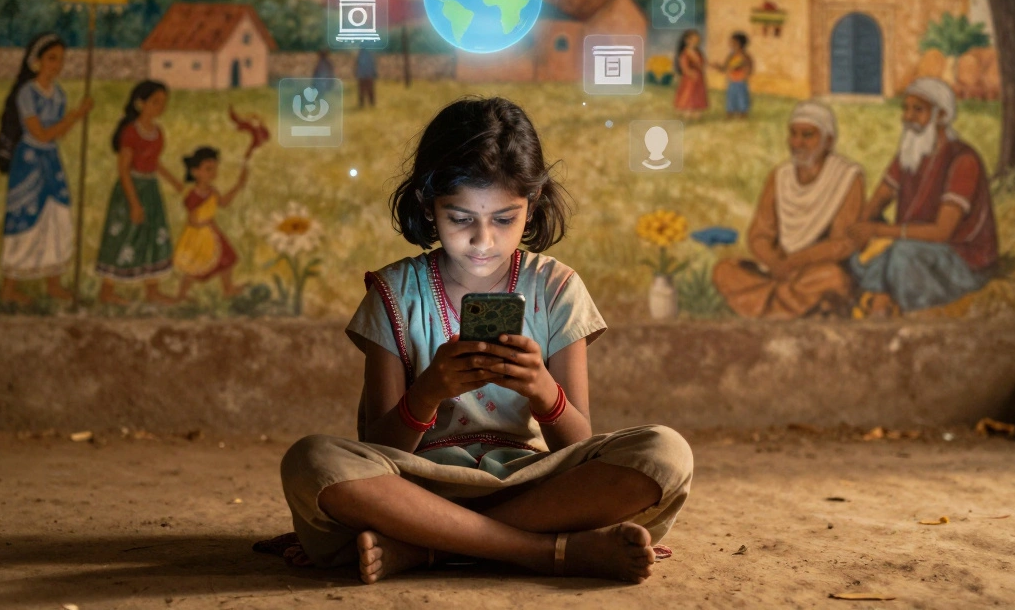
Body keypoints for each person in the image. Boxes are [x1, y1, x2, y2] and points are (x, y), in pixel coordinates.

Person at [279, 98, 694, 585]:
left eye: (504, 219)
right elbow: (378, 448)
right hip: (418, 491)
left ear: (532, 206)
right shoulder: (394, 294)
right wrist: (428, 392)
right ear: (427, 206)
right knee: (312, 462)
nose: (483, 241)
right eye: (460, 219)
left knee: (665, 454)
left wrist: (543, 391)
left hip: (536, 487)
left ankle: (427, 550)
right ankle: (541, 552)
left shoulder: (557, 288)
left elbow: (581, 445)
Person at [847, 77, 999, 316]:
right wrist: (860, 229)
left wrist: (878, 232)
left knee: (901, 256)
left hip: (963, 260)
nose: (907, 117)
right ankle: (879, 302)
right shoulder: (911, 152)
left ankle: (910, 312)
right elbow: (880, 199)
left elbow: (941, 232)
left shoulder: (962, 160)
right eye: (905, 109)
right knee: (858, 257)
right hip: (914, 246)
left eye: (918, 110)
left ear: (941, 116)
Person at [712, 101, 865, 318]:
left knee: (833, 279)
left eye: (807, 135)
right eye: (793, 134)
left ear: (828, 141)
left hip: (815, 270)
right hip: (778, 270)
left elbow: (843, 243)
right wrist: (775, 262)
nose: (797, 143)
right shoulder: (780, 176)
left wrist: (795, 262)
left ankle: (763, 306)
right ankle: (795, 306)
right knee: (724, 271)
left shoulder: (847, 177)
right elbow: (759, 234)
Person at [0, 33, 94, 305]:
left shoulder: (59, 94)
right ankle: (10, 286)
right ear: (36, 61)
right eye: (51, 58)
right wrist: (76, 115)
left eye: (61, 60)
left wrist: (74, 117)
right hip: (29, 160)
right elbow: (39, 133)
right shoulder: (27, 92)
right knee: (25, 218)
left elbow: (57, 134)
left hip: (51, 160)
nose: (57, 65)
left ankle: (53, 282)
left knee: (56, 217)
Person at [95, 81, 184, 304]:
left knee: (153, 235)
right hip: (131, 188)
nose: (161, 107)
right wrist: (133, 202)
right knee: (123, 234)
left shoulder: (157, 132)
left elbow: (154, 162)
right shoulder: (131, 132)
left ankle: (152, 290)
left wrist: (174, 181)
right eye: (155, 102)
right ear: (140, 103)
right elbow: (123, 169)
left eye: (164, 103)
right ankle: (107, 291)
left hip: (151, 188)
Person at [173, 147, 248, 300]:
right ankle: (182, 294)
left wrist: (238, 185)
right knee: (193, 265)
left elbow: (224, 202)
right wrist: (203, 223)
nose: (213, 173)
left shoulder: (212, 190)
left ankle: (228, 288)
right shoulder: (193, 194)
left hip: (212, 231)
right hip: (198, 235)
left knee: (227, 257)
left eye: (215, 169)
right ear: (195, 172)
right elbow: (192, 218)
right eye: (208, 169)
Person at [711, 32, 753, 118]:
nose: (731, 44)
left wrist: (744, 73)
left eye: (733, 42)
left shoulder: (744, 56)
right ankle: (730, 114)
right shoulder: (731, 56)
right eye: (731, 42)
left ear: (740, 44)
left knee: (742, 98)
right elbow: (725, 68)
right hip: (732, 80)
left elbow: (749, 67)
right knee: (731, 98)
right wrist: (717, 67)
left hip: (740, 81)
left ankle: (742, 114)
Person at [673, 30, 707, 120]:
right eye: (694, 40)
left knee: (698, 94)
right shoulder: (685, 53)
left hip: (698, 77)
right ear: (687, 40)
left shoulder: (698, 53)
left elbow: (702, 63)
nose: (696, 42)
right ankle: (687, 110)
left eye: (697, 40)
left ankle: (696, 111)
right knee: (688, 94)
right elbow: (684, 66)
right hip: (689, 78)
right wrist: (690, 72)